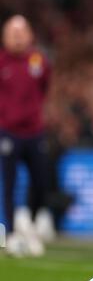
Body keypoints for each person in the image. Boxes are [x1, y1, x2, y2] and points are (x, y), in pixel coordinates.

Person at [0, 15, 52, 256]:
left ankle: (29, 223)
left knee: (41, 181)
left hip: (35, 131)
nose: (18, 36)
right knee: (8, 185)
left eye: (22, 31)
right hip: (7, 132)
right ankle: (10, 234)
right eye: (13, 32)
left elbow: (44, 88)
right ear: (5, 36)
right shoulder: (1, 62)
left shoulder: (39, 60)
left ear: (30, 35)